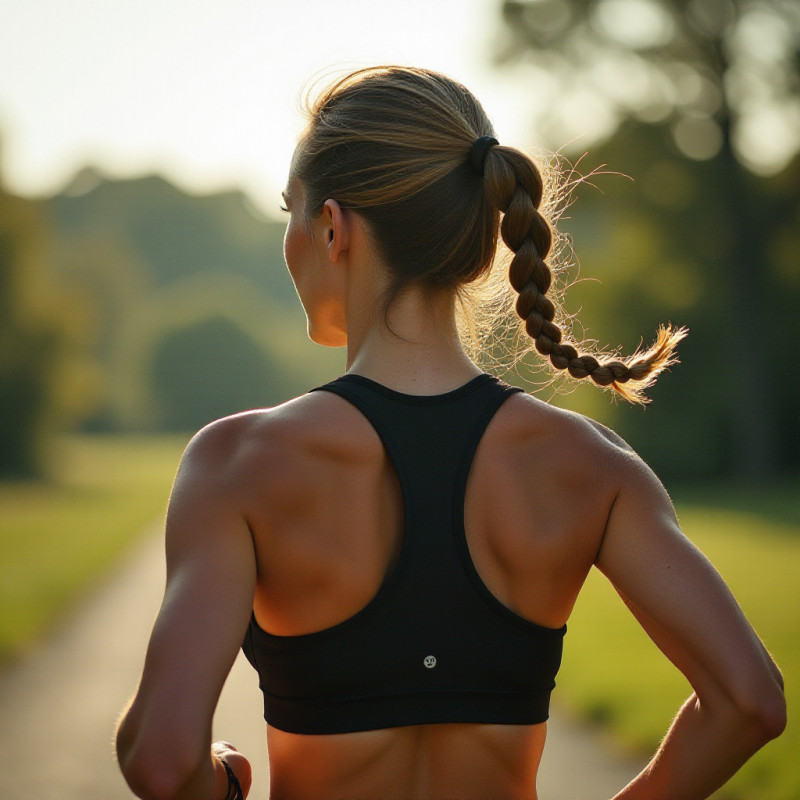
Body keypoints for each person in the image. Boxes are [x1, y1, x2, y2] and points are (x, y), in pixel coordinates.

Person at [115, 66, 785, 800]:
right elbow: (747, 700)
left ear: (333, 228)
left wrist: (224, 779)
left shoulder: (236, 462)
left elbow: (161, 758)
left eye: (292, 211)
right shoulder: (592, 465)